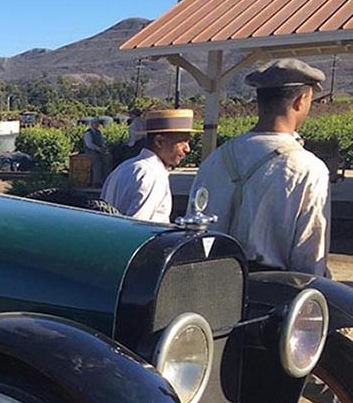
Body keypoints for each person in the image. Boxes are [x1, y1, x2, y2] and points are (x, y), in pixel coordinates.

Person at [192, 59, 330, 276]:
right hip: (272, 293)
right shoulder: (308, 168)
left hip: (211, 284)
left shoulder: (216, 158)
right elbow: (309, 257)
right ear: (300, 101)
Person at [101, 109, 196, 223]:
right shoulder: (153, 174)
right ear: (159, 142)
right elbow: (138, 229)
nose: (187, 149)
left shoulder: (123, 167)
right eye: (182, 142)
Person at [82, 119, 108, 186]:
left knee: (107, 159)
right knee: (97, 162)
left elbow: (102, 141)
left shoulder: (98, 132)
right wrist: (98, 149)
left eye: (98, 124)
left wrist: (103, 147)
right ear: (92, 124)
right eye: (96, 124)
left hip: (99, 150)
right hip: (90, 151)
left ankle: (105, 179)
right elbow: (89, 144)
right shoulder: (88, 133)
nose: (97, 125)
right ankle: (96, 182)